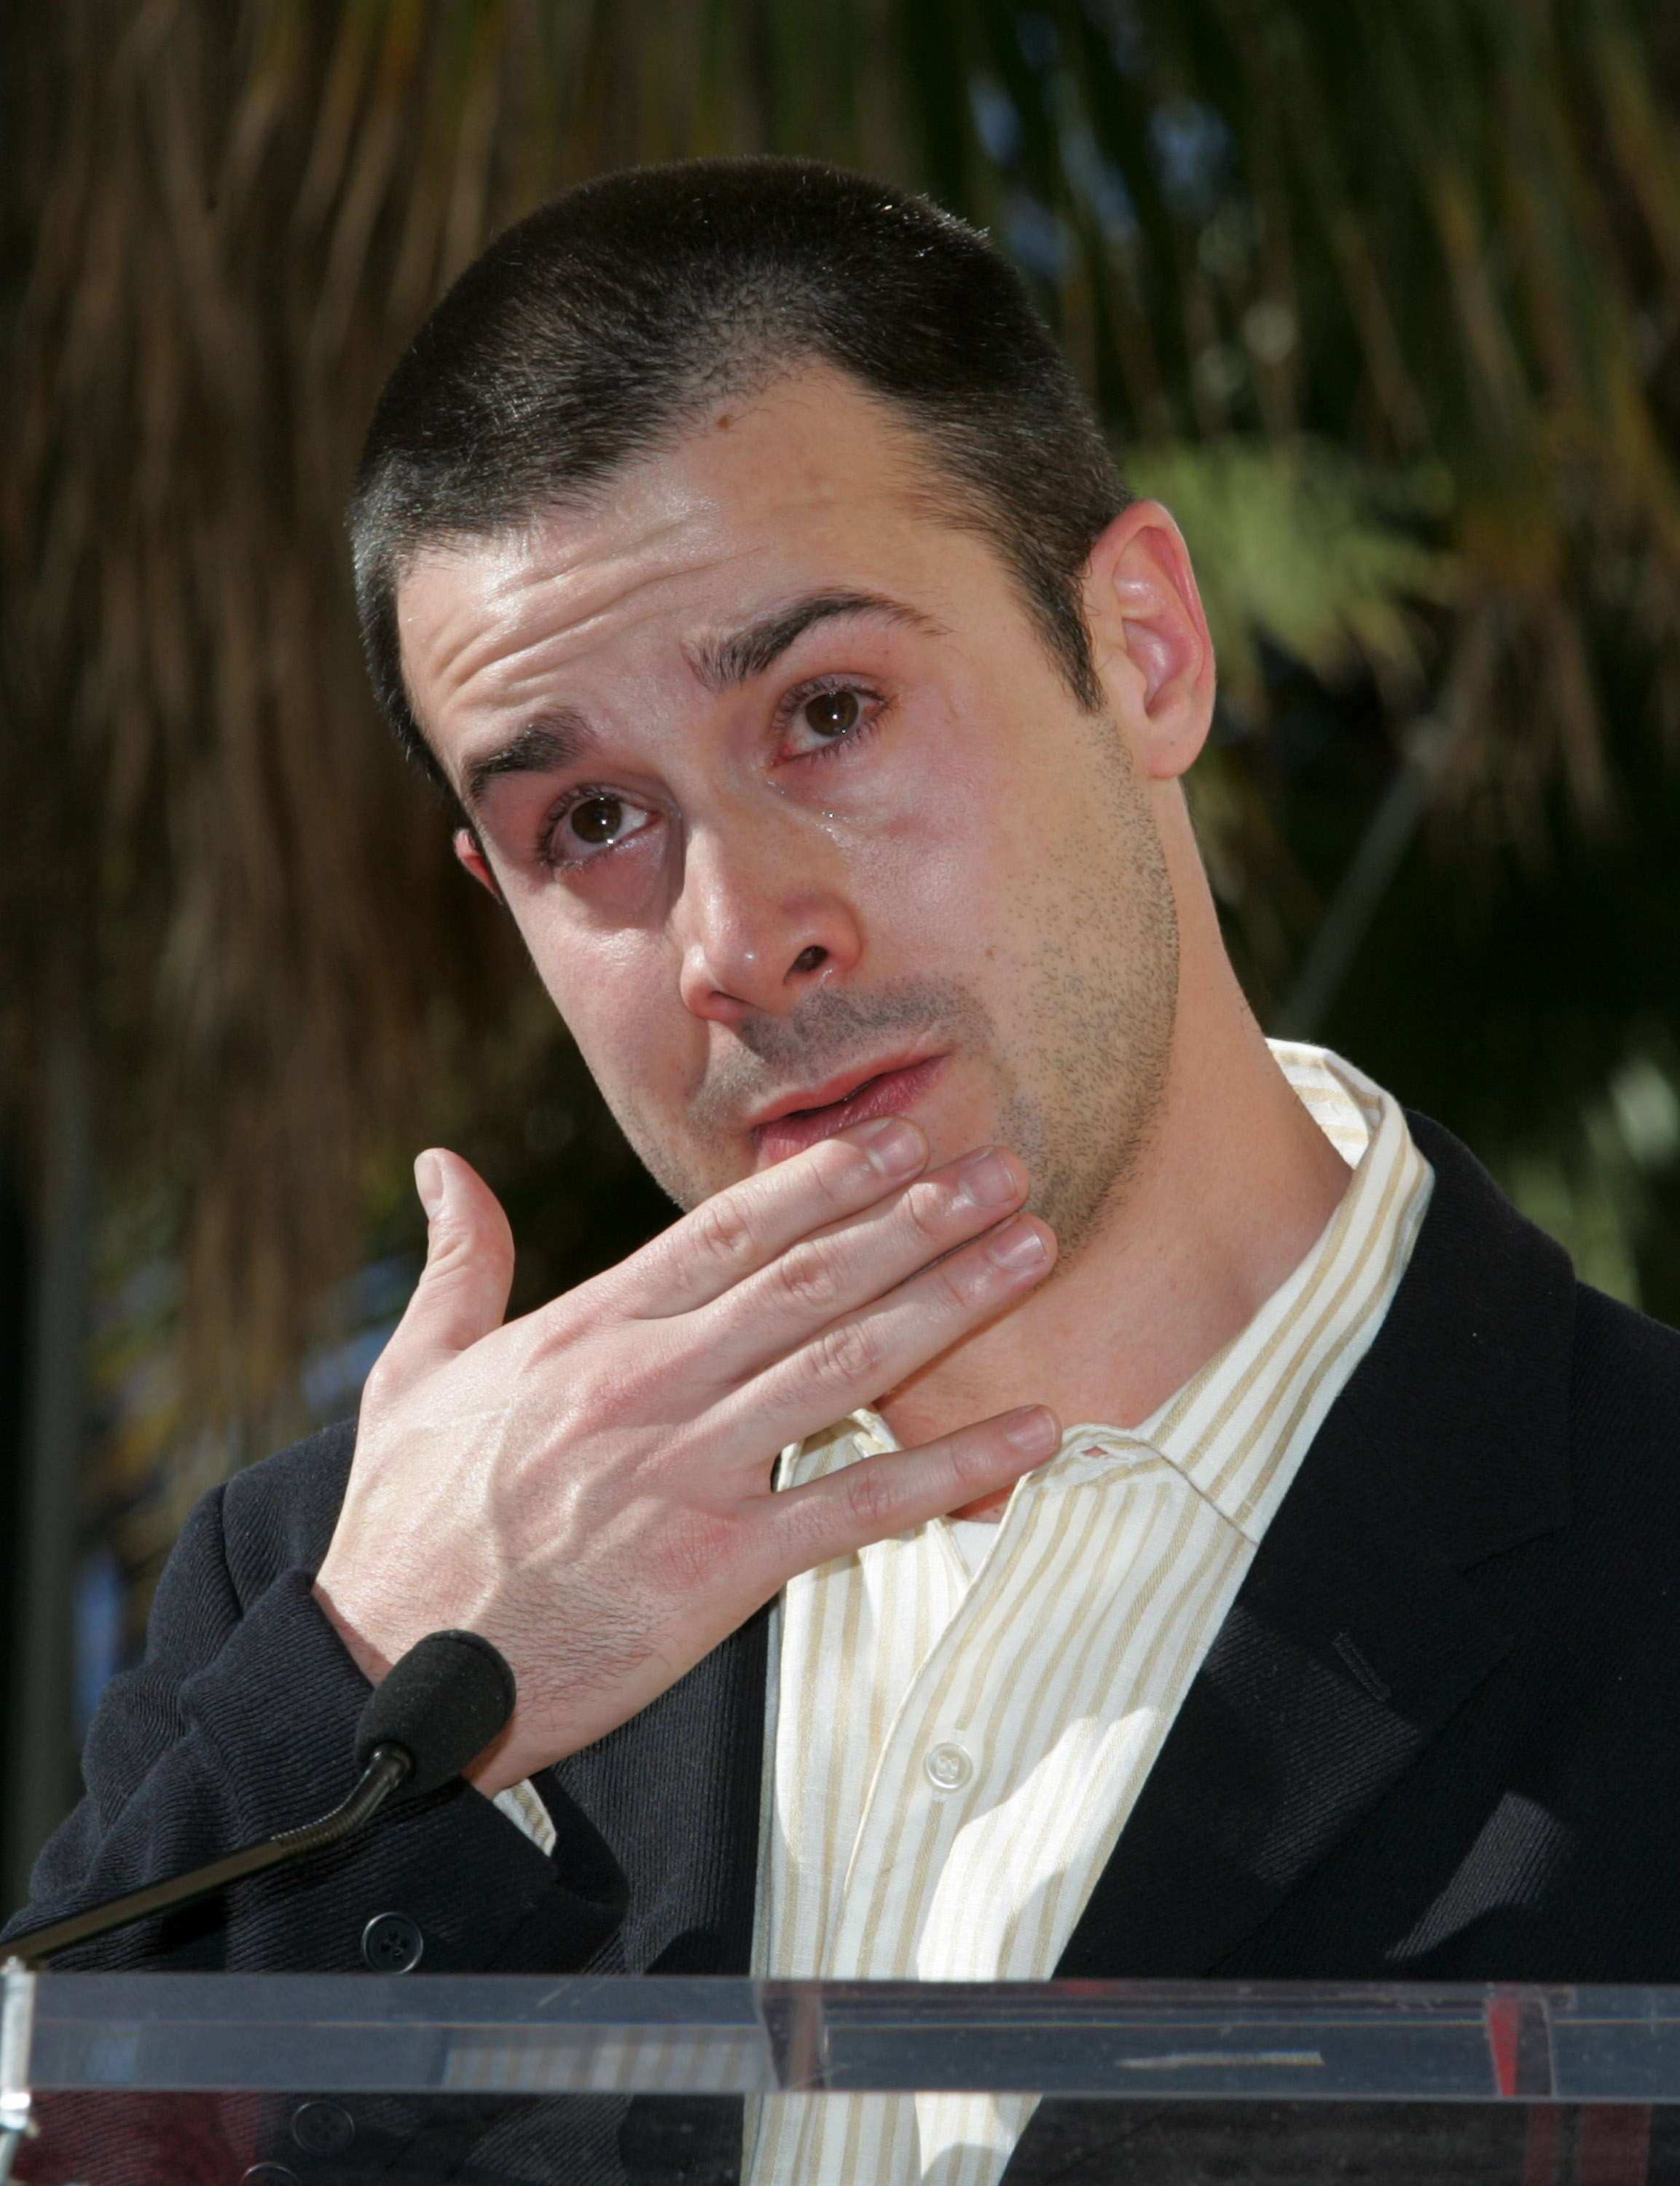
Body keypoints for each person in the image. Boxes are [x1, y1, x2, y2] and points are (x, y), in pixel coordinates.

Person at [10, 157, 1680, 2186]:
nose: (733, 936)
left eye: (826, 711)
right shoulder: (325, 1604)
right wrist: (376, 1706)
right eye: (593, 822)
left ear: (1139, 649)